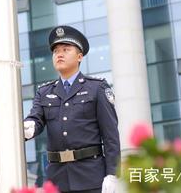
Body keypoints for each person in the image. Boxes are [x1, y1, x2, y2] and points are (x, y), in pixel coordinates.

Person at [24, 25, 120, 193]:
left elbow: (110, 136)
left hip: (91, 176)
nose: (59, 54)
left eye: (66, 49)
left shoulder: (96, 88)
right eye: (55, 51)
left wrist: (112, 174)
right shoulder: (44, 92)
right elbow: (36, 119)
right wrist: (29, 126)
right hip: (57, 178)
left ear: (79, 56)